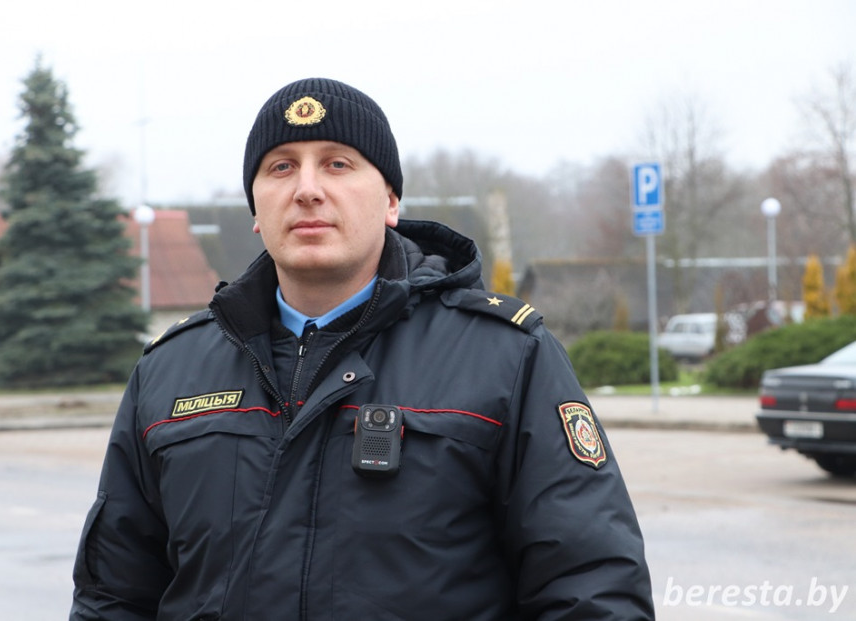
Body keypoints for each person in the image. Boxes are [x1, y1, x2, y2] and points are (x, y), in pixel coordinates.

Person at [71, 77, 654, 620]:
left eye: (338, 164)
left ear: (391, 201)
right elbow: (113, 596)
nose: (307, 190)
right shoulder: (170, 371)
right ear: (255, 209)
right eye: (281, 167)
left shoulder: (506, 358)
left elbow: (591, 587)